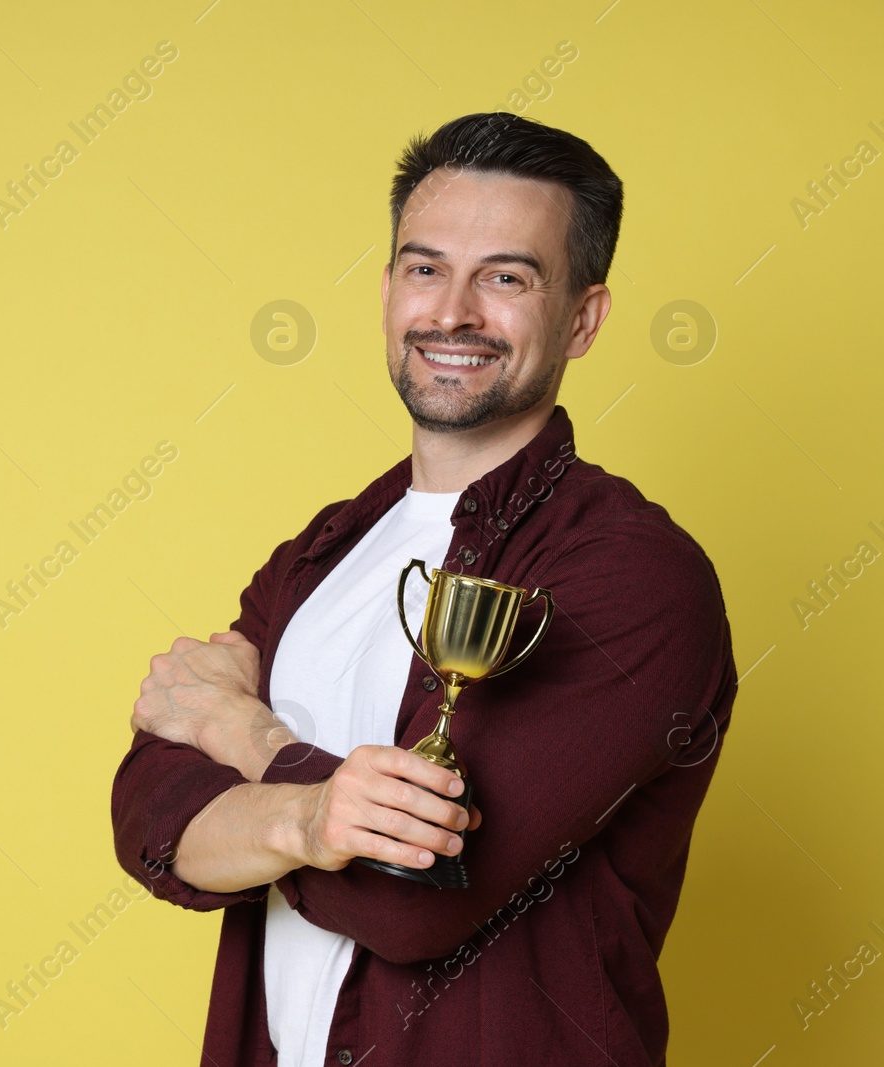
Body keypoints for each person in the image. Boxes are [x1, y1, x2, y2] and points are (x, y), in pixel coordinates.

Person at [111, 112, 736, 1066]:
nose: (452, 312)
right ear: (389, 287)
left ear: (583, 317)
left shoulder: (633, 576)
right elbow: (150, 809)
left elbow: (410, 902)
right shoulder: (324, 550)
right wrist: (312, 817)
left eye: (506, 277)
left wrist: (244, 741)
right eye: (424, 266)